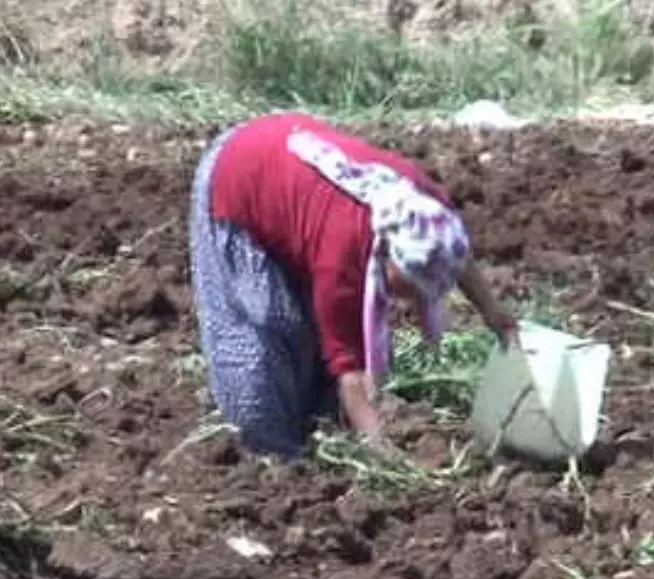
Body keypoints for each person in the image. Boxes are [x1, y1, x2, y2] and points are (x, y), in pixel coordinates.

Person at [188, 112, 519, 459]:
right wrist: (385, 453)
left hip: (289, 163)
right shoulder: (342, 258)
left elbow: (455, 255)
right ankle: (272, 455)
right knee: (262, 334)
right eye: (409, 287)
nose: (410, 300)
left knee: (322, 336)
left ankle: (321, 424)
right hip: (237, 177)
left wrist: (493, 311)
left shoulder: (428, 212)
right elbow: (351, 371)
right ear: (387, 254)